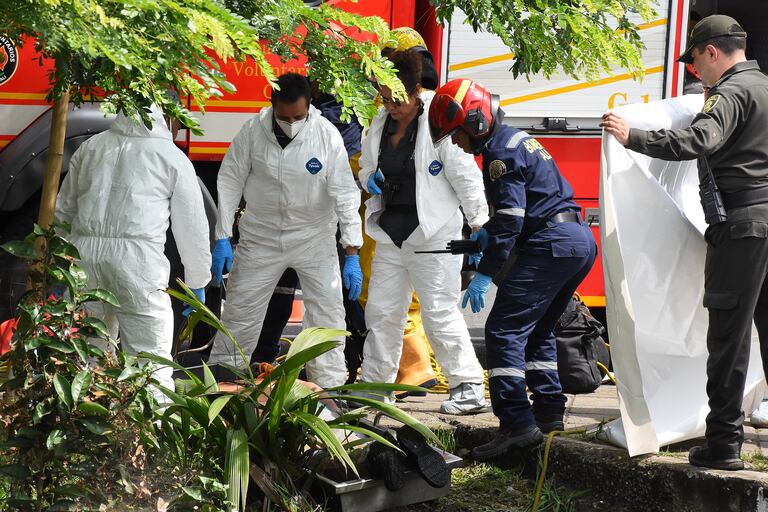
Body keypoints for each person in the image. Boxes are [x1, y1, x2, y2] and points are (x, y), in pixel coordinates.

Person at [600, 14, 768, 471]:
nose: (696, 73)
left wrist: (632, 136)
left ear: (712, 52)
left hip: (742, 229)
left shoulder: (731, 93)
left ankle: (724, 445)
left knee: (728, 340)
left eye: (695, 62)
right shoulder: (765, 87)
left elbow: (701, 138)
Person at [429, 79, 597, 460]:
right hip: (575, 240)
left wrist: (486, 270)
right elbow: (520, 212)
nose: (455, 143)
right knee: (536, 331)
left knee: (502, 331)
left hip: (550, 244)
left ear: (474, 121)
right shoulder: (515, 139)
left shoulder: (499, 153)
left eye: (456, 135)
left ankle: (517, 426)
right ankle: (549, 414)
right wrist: (484, 237)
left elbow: (509, 219)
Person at [207, 73, 363, 389]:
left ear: (310, 108)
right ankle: (224, 385)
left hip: (314, 237)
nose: (291, 122)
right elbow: (229, 181)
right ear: (272, 106)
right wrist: (222, 236)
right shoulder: (252, 133)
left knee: (327, 317)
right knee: (240, 311)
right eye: (284, 116)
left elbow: (346, 194)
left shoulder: (326, 136)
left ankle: (329, 393)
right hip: (260, 236)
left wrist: (352, 251)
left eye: (298, 116)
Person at [358, 51, 490, 415]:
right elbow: (367, 164)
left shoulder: (438, 119)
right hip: (390, 234)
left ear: (416, 90)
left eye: (396, 98)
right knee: (382, 314)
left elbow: (467, 177)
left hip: (434, 236)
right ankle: (376, 386)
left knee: (438, 313)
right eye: (384, 96)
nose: (390, 105)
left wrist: (479, 223)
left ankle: (468, 386)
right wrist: (368, 177)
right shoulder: (379, 121)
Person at [56, 104, 212, 394]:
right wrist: (197, 282)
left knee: (84, 356)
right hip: (137, 263)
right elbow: (192, 229)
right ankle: (148, 434)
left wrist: (60, 261)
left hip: (84, 258)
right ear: (168, 117)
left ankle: (82, 430)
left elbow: (64, 211)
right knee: (148, 362)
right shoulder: (170, 157)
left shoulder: (91, 147)